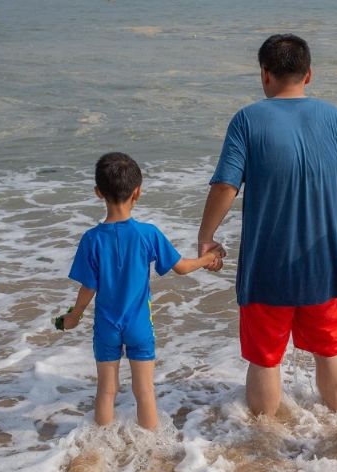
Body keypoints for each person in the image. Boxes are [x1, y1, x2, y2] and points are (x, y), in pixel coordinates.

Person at [197, 34, 337, 416]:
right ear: (309, 74)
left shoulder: (247, 120)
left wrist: (206, 237)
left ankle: (263, 440)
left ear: (265, 74)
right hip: (322, 264)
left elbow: (225, 186)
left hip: (265, 267)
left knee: (266, 359)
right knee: (329, 351)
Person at [61, 152, 221, 428]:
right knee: (144, 391)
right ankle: (151, 448)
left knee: (106, 391)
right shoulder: (148, 234)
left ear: (98, 192)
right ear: (138, 192)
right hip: (139, 326)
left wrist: (74, 316)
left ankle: (99, 445)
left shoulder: (92, 239)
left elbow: (88, 287)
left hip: (106, 326)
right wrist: (208, 259)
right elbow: (181, 267)